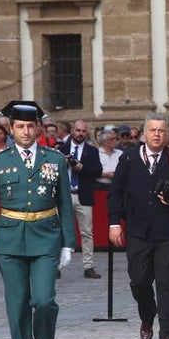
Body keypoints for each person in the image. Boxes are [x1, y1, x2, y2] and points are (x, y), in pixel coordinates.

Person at [0, 101, 76, 339]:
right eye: (20, 126)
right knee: (17, 305)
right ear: (11, 129)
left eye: (30, 126)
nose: (25, 131)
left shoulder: (54, 159)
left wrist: (68, 243)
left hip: (46, 237)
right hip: (10, 240)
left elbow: (65, 204)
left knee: (44, 301)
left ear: (38, 128)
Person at [108, 113, 169, 339]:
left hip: (166, 231)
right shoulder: (129, 158)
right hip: (137, 230)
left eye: (161, 130)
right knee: (139, 280)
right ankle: (147, 316)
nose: (157, 134)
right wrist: (114, 223)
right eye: (153, 130)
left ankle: (167, 333)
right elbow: (115, 193)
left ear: (167, 134)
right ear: (145, 133)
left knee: (167, 282)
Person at [59, 120, 103, 279]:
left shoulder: (92, 151)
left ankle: (88, 266)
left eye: (83, 131)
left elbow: (98, 171)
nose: (80, 134)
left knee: (87, 233)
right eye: (78, 130)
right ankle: (57, 266)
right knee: (60, 231)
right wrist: (61, 163)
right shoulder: (61, 149)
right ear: (72, 131)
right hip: (64, 195)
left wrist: (81, 167)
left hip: (83, 195)